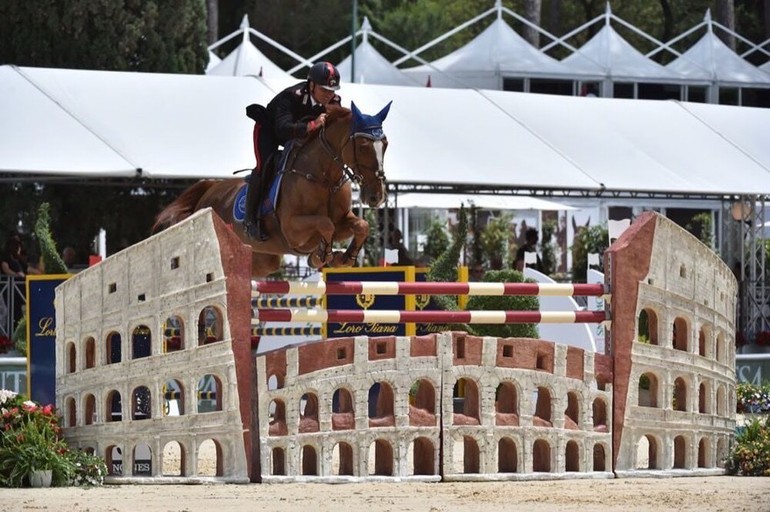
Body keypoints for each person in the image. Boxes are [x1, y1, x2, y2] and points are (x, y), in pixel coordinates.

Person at [245, 61, 343, 241]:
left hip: (299, 136)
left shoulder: (334, 101)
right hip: (270, 130)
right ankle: (250, 220)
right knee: (264, 166)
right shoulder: (291, 97)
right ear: (311, 85)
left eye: (332, 91)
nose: (329, 95)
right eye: (324, 90)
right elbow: (282, 129)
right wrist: (313, 124)